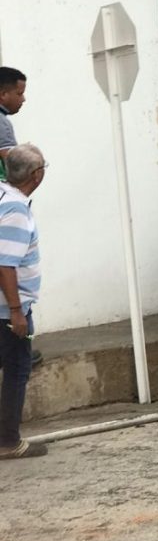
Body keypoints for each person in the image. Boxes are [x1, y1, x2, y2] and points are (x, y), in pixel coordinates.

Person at [0, 144, 48, 460]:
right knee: (17, 371)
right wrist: (17, 311)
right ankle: (8, 442)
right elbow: (6, 264)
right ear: (36, 174)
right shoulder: (16, 209)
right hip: (8, 310)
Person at [0, 67, 42, 368]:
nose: (22, 99)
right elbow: (13, 164)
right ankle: (19, 345)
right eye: (19, 92)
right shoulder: (2, 124)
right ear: (3, 94)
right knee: (15, 263)